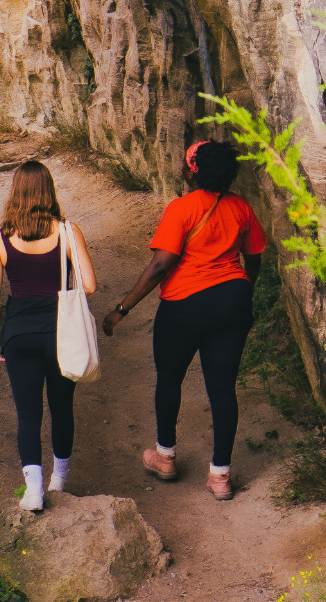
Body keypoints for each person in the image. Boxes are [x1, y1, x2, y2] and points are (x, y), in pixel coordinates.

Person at [101, 139, 267, 501]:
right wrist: (243, 290)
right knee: (223, 390)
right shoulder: (241, 207)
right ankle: (220, 476)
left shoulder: (182, 208)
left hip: (185, 305)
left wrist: (122, 308)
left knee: (170, 379)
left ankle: (165, 457)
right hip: (232, 301)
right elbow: (254, 256)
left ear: (193, 168)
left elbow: (162, 263)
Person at [0, 160, 98, 513]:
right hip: (61, 335)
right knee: (62, 408)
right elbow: (90, 285)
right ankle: (59, 482)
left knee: (28, 414)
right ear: (49, 190)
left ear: (15, 192)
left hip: (19, 334)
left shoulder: (0, 239)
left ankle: (34, 490)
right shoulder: (67, 231)